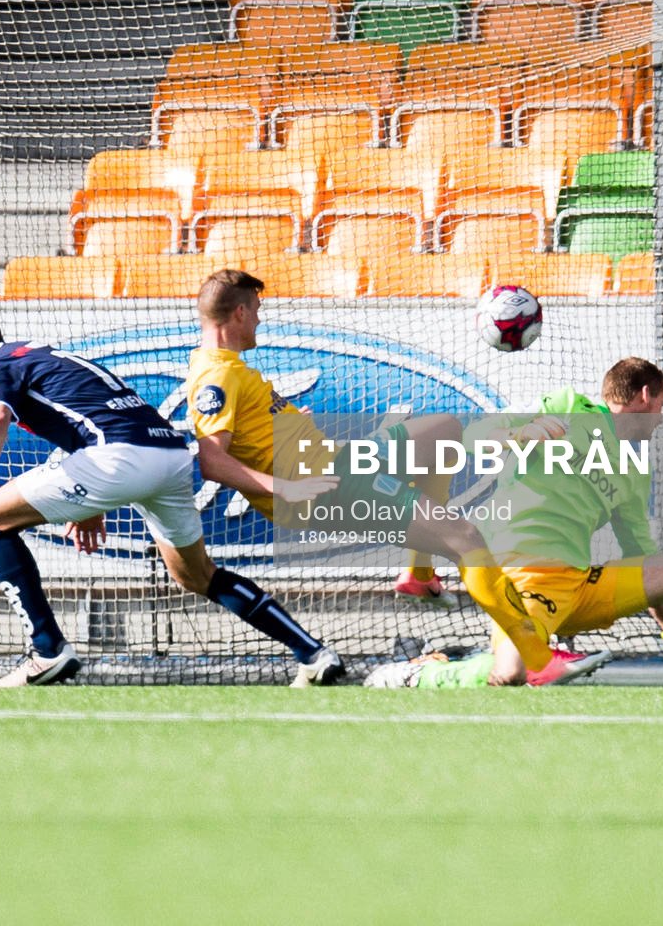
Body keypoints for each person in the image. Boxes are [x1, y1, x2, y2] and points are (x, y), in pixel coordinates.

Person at [185, 268, 605, 687]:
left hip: (338, 462)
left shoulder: (228, 367)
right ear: (239, 313)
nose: (260, 319)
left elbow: (250, 434)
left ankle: (419, 576)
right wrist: (285, 485)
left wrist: (291, 428)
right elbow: (212, 460)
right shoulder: (217, 375)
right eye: (256, 311)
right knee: (466, 539)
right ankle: (537, 660)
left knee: (442, 429)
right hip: (329, 489)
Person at [0, 299, 348, 688]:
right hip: (168, 456)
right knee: (198, 576)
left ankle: (47, 649)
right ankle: (313, 655)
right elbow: (96, 416)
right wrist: (92, 503)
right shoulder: (43, 355)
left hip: (118, 458)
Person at [375, 358, 663, 690]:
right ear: (645, 395)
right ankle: (417, 674)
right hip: (519, 576)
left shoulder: (635, 469)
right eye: (662, 405)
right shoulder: (567, 405)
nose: (661, 419)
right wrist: (523, 432)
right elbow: (472, 437)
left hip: (583, 587)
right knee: (512, 674)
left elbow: (642, 558)